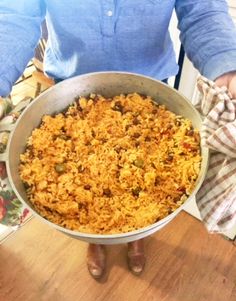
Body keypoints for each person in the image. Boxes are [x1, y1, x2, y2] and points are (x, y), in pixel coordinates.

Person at [0, 0, 236, 279]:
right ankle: (95, 239)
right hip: (70, 95)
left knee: (150, 195)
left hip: (150, 96)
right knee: (85, 202)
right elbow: (15, 14)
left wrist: (228, 70)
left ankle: (138, 235)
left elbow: (202, 9)